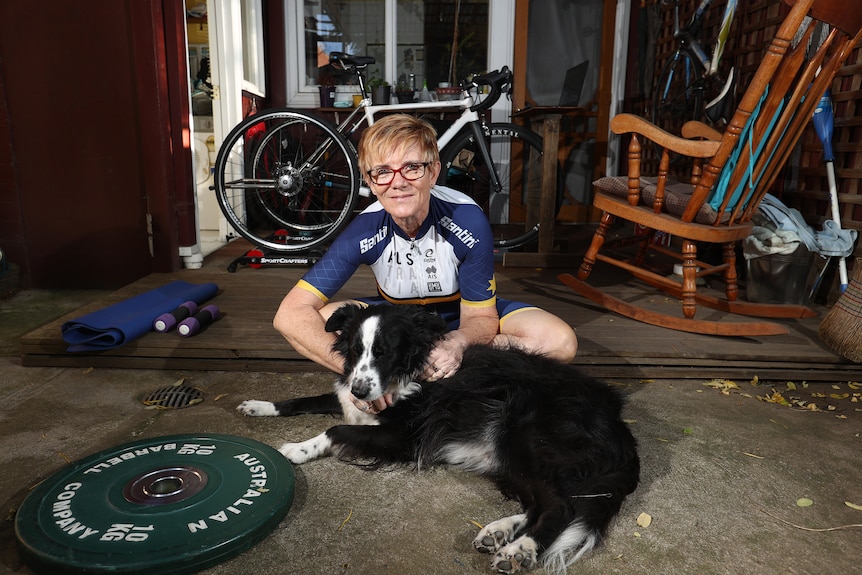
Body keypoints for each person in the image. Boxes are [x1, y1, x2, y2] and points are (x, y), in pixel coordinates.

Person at [273, 114, 577, 413]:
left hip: (462, 315)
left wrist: (456, 344)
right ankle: (406, 374)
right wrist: (360, 374)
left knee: (559, 341)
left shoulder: (466, 219)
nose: (398, 182)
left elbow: (480, 317)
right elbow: (289, 314)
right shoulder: (363, 230)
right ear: (370, 181)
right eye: (383, 171)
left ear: (433, 172)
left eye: (412, 168)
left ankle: (440, 368)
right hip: (398, 327)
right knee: (325, 319)